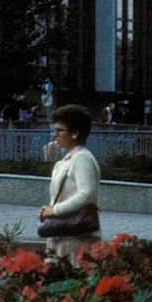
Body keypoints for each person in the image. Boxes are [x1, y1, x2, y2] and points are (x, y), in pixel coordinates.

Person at [39, 104, 101, 266]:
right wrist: (49, 209)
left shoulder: (82, 158)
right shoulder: (69, 159)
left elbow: (86, 194)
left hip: (76, 238)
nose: (55, 134)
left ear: (75, 133)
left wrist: (55, 210)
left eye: (60, 130)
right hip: (63, 233)